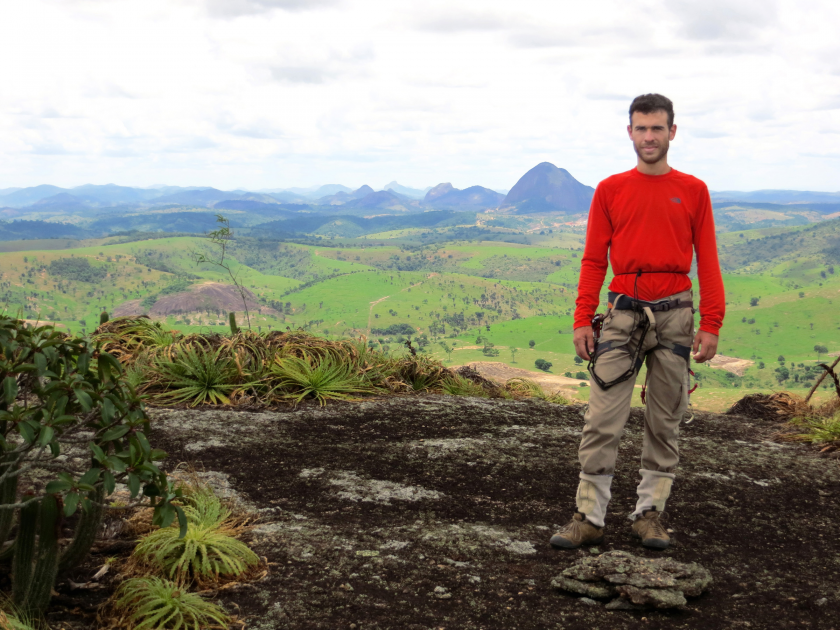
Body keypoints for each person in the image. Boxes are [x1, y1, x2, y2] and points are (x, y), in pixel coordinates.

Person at [550, 93, 725, 550]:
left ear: (672, 131)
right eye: (641, 128)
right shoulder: (611, 189)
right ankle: (589, 516)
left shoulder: (693, 190)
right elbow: (593, 260)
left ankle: (649, 514)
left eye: (657, 128)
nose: (649, 136)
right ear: (630, 132)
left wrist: (713, 322)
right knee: (603, 417)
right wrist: (581, 319)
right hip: (623, 313)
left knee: (666, 418)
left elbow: (707, 260)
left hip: (676, 314)